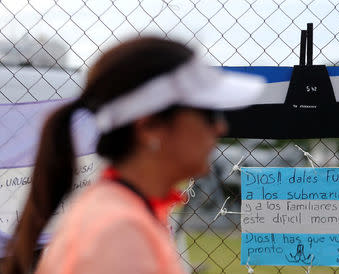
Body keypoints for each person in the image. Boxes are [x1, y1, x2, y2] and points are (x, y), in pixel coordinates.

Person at [2, 37, 265, 273]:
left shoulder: (120, 212)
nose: (220, 127)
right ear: (149, 126)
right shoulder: (119, 233)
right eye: (208, 113)